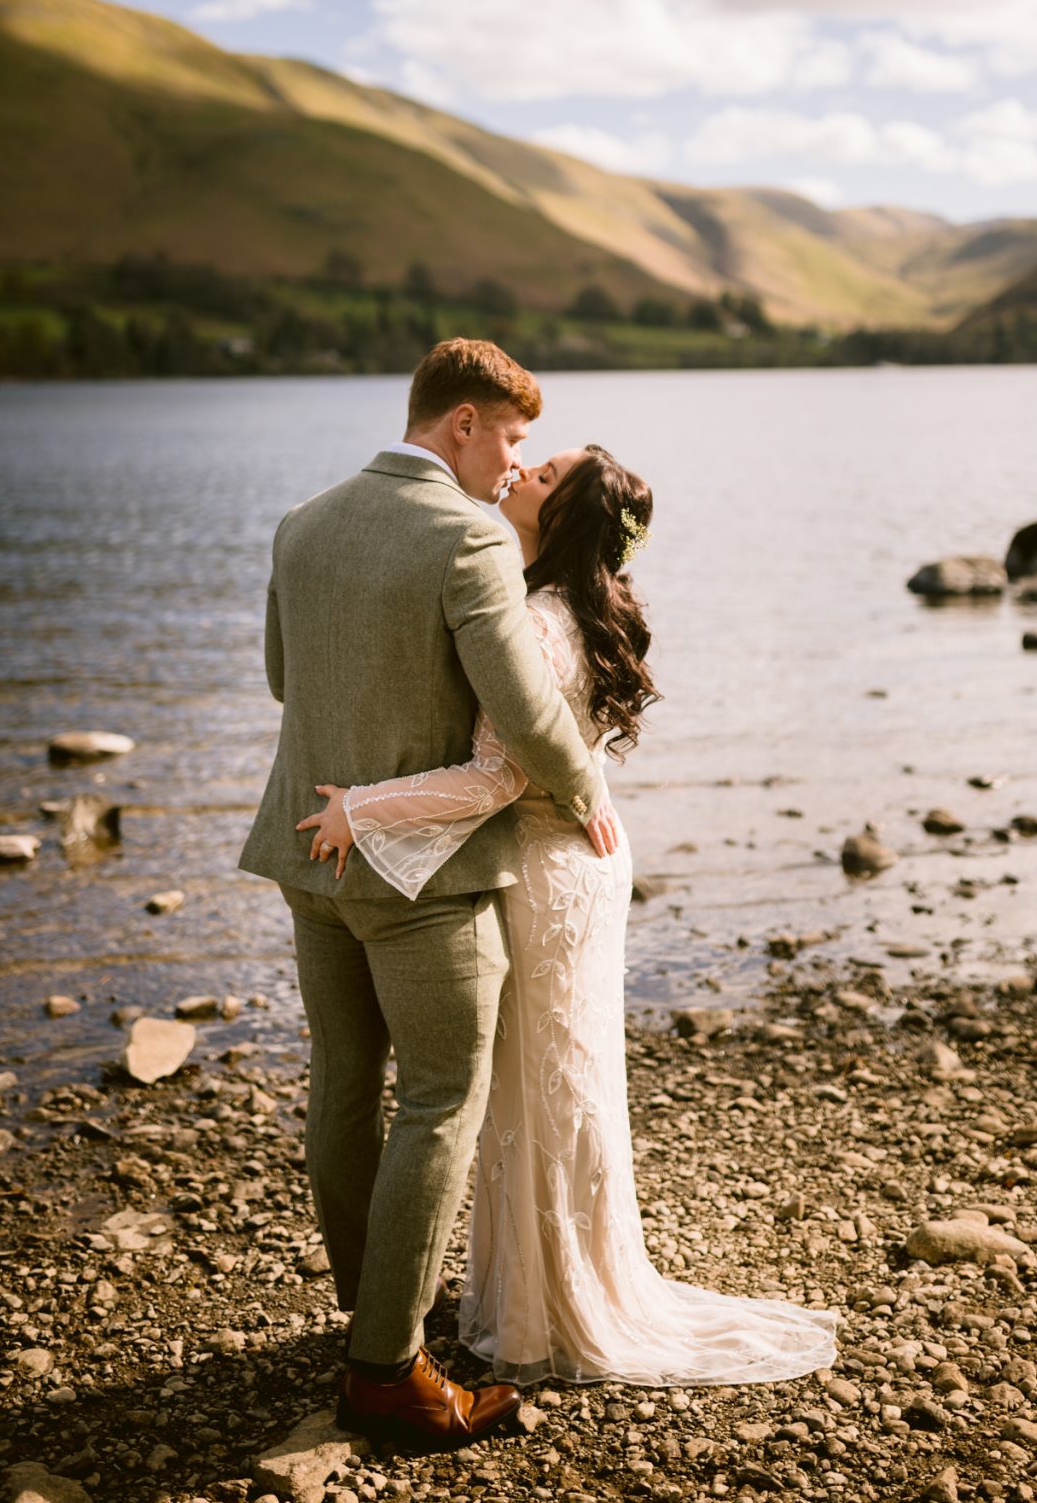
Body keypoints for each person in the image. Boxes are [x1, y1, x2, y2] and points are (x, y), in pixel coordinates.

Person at [300, 444, 840, 1388]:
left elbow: (499, 775)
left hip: (548, 874)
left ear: (564, 520)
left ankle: (552, 1308)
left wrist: (364, 807)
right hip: (571, 861)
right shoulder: (554, 607)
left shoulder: (544, 622)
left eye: (541, 474)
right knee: (549, 1082)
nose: (517, 474)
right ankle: (533, 1291)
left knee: (541, 1086)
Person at [239, 339, 616, 1449]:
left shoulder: (303, 519)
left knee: (345, 1085)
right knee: (442, 1097)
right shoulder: (465, 535)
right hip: (424, 880)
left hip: (312, 862)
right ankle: (388, 1368)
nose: (512, 463)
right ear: (459, 421)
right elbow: (528, 710)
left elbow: (280, 675)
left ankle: (374, 1310)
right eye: (506, 437)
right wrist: (584, 785)